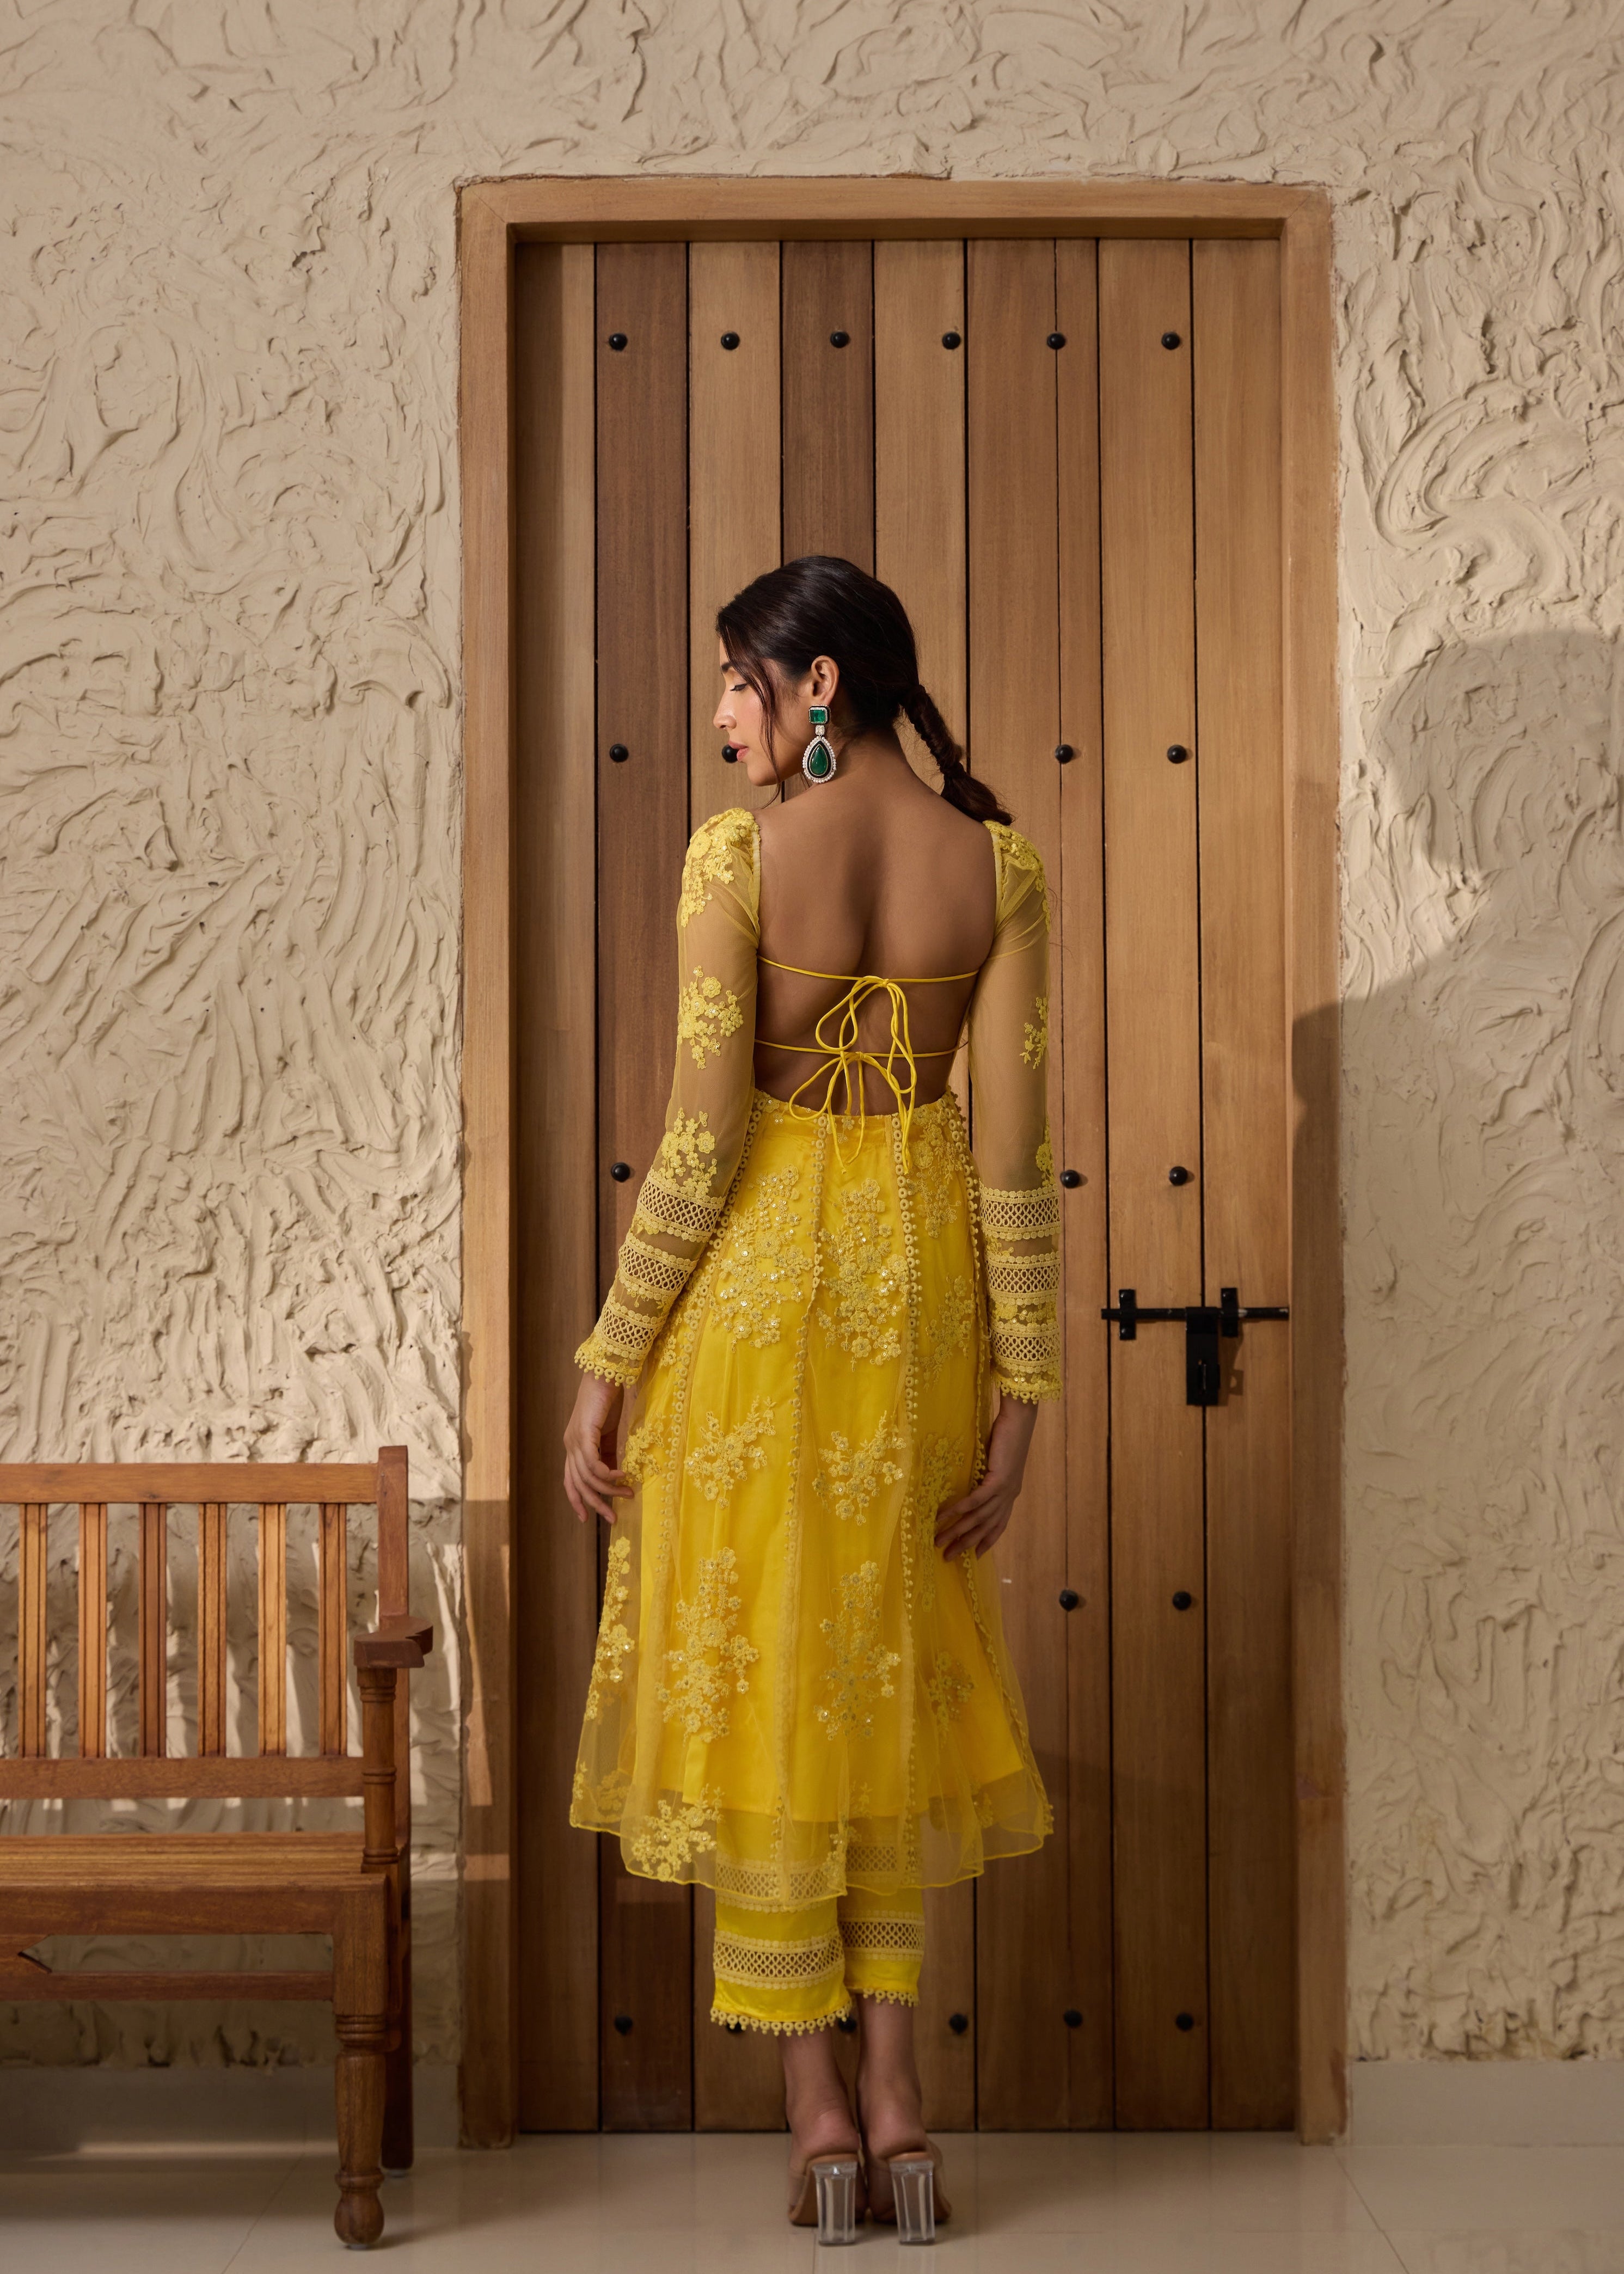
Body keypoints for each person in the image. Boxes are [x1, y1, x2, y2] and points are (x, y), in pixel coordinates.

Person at [563, 554, 1059, 2238]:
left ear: (819, 684)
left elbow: (700, 1147)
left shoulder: (737, 855)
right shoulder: (998, 864)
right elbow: (1015, 1166)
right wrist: (1027, 1391)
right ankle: (907, 2107)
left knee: (776, 1692)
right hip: (917, 1321)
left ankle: (818, 2121)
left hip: (761, 1322)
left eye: (736, 682)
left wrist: (609, 1360)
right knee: (889, 1685)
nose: (720, 718)